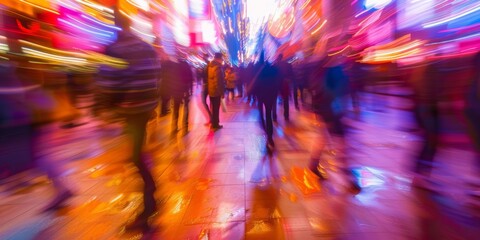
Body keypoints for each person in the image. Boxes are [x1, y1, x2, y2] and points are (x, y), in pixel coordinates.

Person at [97, 9, 160, 232]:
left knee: (134, 156)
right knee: (136, 154)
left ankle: (149, 204)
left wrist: (106, 108)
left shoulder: (115, 50)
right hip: (145, 107)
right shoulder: (146, 46)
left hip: (131, 109)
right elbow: (156, 76)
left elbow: (108, 83)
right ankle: (150, 198)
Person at [251, 51, 280, 149]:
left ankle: (266, 131)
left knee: (261, 115)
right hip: (270, 96)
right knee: (268, 115)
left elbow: (254, 82)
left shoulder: (257, 69)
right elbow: (277, 82)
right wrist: (275, 94)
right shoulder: (273, 69)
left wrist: (253, 95)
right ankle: (270, 137)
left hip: (261, 95)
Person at [171, 56, 194, 134]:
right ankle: (185, 127)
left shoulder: (175, 66)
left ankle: (174, 126)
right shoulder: (187, 66)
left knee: (176, 109)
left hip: (176, 90)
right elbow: (191, 79)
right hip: (185, 90)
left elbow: (172, 79)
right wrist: (190, 90)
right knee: (186, 108)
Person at [207, 52, 225, 131]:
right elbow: (218, 82)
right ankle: (215, 125)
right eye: (221, 59)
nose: (222, 60)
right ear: (219, 59)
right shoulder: (217, 68)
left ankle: (214, 123)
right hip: (216, 91)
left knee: (213, 108)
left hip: (211, 91)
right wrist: (221, 93)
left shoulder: (210, 66)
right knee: (216, 109)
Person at [273, 54, 293, 121]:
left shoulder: (274, 65)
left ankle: (274, 116)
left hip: (275, 84)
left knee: (274, 101)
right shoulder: (288, 65)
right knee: (286, 101)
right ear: (282, 57)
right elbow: (291, 75)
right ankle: (286, 116)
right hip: (284, 84)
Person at [200, 54, 212, 124]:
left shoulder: (209, 65)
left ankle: (211, 119)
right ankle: (211, 118)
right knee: (204, 102)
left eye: (204, 57)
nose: (203, 58)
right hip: (206, 85)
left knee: (207, 102)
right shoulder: (205, 65)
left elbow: (208, 76)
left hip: (208, 85)